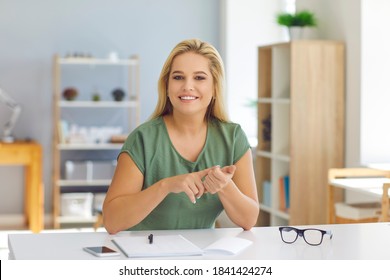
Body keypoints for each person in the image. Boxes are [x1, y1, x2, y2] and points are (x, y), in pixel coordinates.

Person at [103, 38, 259, 234]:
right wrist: (166, 185)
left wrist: (225, 187)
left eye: (199, 78)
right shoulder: (142, 139)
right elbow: (111, 221)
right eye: (178, 77)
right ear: (167, 87)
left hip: (202, 256)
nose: (187, 86)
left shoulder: (233, 138)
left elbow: (249, 220)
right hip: (143, 254)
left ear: (215, 88)